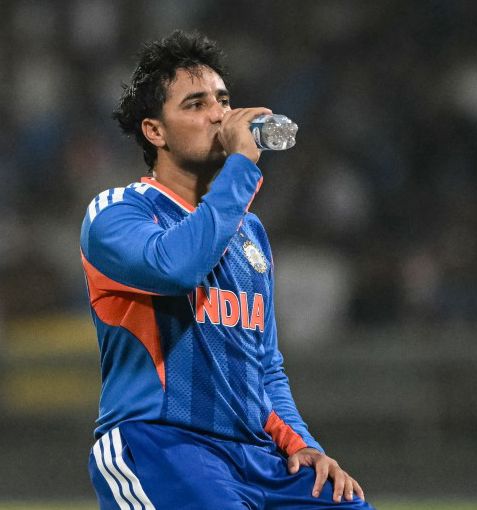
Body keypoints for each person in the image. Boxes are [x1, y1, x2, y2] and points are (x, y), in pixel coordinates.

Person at [80, 30, 373, 509]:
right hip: (161, 444)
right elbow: (177, 267)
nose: (218, 115)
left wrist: (302, 444)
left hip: (257, 456)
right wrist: (241, 165)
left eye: (223, 99)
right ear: (155, 132)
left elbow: (265, 365)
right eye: (195, 104)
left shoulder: (249, 232)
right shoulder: (117, 213)